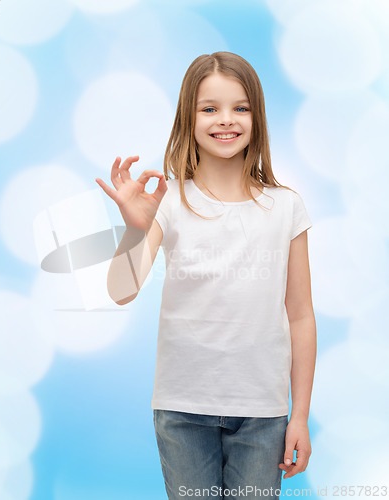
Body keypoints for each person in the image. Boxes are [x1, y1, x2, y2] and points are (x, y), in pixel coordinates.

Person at [95, 51, 316, 500]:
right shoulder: (169, 201)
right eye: (209, 108)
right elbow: (121, 292)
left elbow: (300, 316)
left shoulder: (286, 206)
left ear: (256, 116)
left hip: (262, 412)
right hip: (182, 407)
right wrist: (135, 230)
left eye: (240, 107)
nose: (225, 120)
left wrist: (300, 416)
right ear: (188, 118)